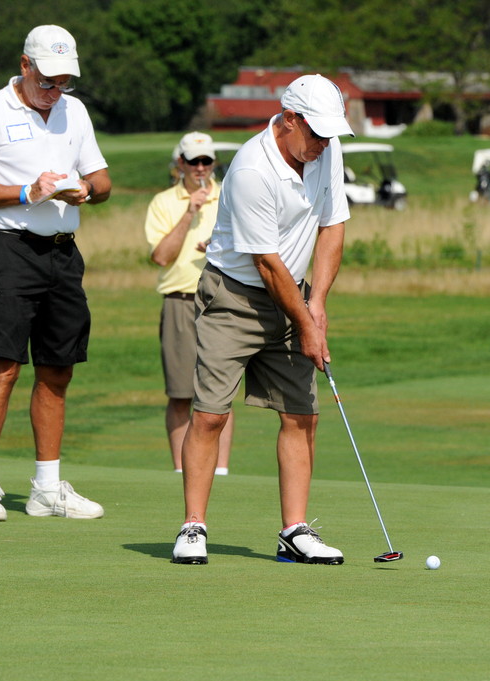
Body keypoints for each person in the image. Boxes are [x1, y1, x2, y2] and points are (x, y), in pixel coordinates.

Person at [170, 74, 353, 565]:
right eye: (315, 133)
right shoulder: (253, 167)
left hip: (293, 295)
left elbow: (333, 225)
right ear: (289, 119)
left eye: (330, 135)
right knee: (210, 413)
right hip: (234, 296)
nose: (322, 144)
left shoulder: (325, 150)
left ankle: (294, 531)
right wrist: (307, 321)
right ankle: (193, 526)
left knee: (301, 414)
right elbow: (267, 265)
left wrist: (318, 305)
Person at [0, 25, 112, 521]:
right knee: (4, 365)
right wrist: (29, 192)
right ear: (25, 66)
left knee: (58, 368)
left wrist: (84, 189)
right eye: (47, 79)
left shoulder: (74, 111)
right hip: (9, 249)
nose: (55, 90)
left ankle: (46, 488)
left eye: (64, 81)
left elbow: (102, 179)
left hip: (64, 252)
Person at [145, 132, 234, 475]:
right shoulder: (164, 202)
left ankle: (220, 471)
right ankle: (183, 471)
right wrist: (189, 213)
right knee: (181, 393)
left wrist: (219, 243)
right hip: (180, 300)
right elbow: (161, 256)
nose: (200, 168)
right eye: (193, 161)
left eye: (206, 161)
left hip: (225, 298)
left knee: (220, 393)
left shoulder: (229, 195)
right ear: (180, 163)